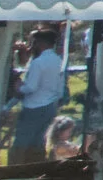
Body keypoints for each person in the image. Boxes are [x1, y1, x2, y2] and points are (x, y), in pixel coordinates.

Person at [11, 28, 65, 164]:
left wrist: (19, 87)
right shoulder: (59, 61)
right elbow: (60, 88)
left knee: (21, 143)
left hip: (34, 106)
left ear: (40, 43)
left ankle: (13, 170)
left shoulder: (38, 62)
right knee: (38, 142)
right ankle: (37, 169)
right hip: (50, 105)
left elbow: (31, 87)